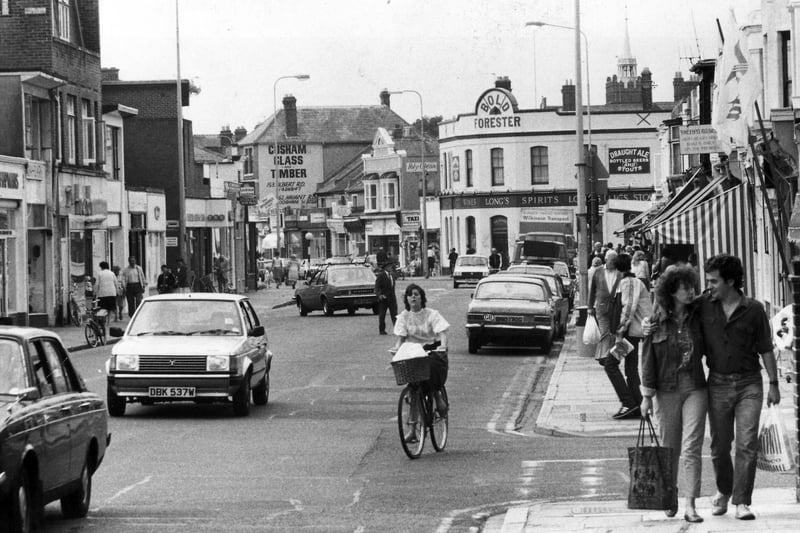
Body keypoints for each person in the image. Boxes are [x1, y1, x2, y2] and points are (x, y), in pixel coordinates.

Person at [699, 254, 780, 521]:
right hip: (718, 383)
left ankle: (742, 500)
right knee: (720, 445)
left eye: (714, 281)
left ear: (730, 281)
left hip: (749, 384)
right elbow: (676, 314)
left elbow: (766, 348)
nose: (709, 285)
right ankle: (723, 490)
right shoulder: (703, 306)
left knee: (746, 444)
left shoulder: (754, 309)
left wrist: (774, 383)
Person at [640, 264, 707, 522]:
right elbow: (648, 361)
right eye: (685, 288)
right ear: (671, 291)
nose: (691, 292)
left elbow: (712, 296)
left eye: (692, 287)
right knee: (670, 448)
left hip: (696, 388)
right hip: (665, 391)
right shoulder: (655, 323)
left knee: (692, 447)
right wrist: (646, 397)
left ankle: (691, 505)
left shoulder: (698, 314)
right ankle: (670, 494)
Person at [391, 284, 450, 442]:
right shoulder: (403, 317)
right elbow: (400, 338)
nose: (413, 297)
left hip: (432, 349)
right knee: (414, 390)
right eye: (410, 295)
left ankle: (437, 396)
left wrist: (443, 345)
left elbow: (441, 332)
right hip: (413, 351)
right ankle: (412, 430)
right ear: (407, 299)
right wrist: (396, 349)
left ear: (422, 298)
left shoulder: (431, 314)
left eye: (416, 294)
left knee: (431, 371)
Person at [604, 253, 648, 420]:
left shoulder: (628, 282)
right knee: (631, 368)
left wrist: (620, 330)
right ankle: (637, 404)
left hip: (629, 333)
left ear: (616, 268)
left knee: (610, 364)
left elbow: (628, 307)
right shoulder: (629, 281)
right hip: (634, 332)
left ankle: (629, 403)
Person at [94, 261, 118, 336]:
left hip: (103, 294)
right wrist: (117, 291)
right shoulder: (112, 273)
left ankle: (104, 321)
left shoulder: (100, 274)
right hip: (111, 293)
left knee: (103, 308)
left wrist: (95, 293)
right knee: (110, 308)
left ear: (101, 267)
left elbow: (97, 284)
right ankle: (108, 322)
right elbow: (116, 283)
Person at [374, 262, 398, 335]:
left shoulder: (392, 275)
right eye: (389, 267)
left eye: (391, 266)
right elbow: (377, 287)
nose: (391, 268)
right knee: (382, 315)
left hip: (392, 299)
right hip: (384, 299)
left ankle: (397, 330)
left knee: (395, 315)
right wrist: (380, 295)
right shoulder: (381, 275)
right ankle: (382, 330)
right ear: (386, 268)